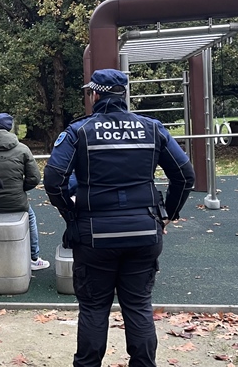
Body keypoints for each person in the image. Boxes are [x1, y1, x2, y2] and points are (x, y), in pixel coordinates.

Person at [43, 69, 195, 367]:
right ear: (122, 94)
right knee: (138, 306)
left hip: (95, 236)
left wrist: (71, 215)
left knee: (94, 308)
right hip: (144, 232)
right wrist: (168, 215)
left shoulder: (79, 131)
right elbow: (184, 175)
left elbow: (54, 179)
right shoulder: (152, 128)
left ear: (95, 94)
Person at [0, 113, 50, 271]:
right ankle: (33, 258)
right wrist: (19, 189)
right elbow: (34, 178)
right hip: (17, 203)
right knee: (31, 219)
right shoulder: (22, 149)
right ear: (9, 128)